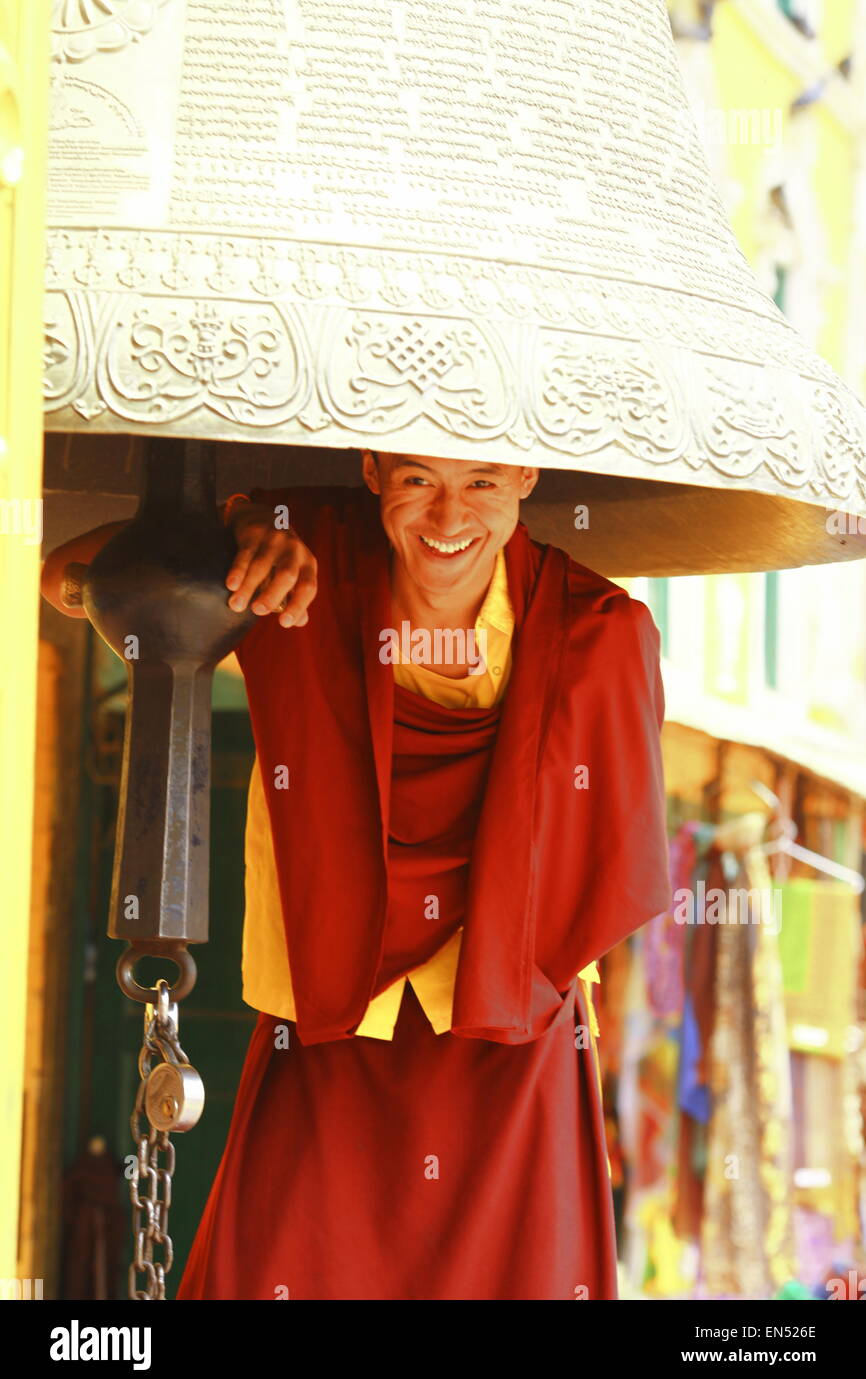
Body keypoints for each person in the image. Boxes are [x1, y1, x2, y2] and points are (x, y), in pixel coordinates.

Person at [42, 448, 671, 1300]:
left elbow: (611, 869)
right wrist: (228, 536)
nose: (449, 520)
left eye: (481, 483)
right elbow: (65, 577)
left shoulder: (600, 630)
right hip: (327, 1022)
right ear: (373, 471)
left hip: (511, 1046)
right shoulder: (298, 566)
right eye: (419, 482)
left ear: (527, 477)